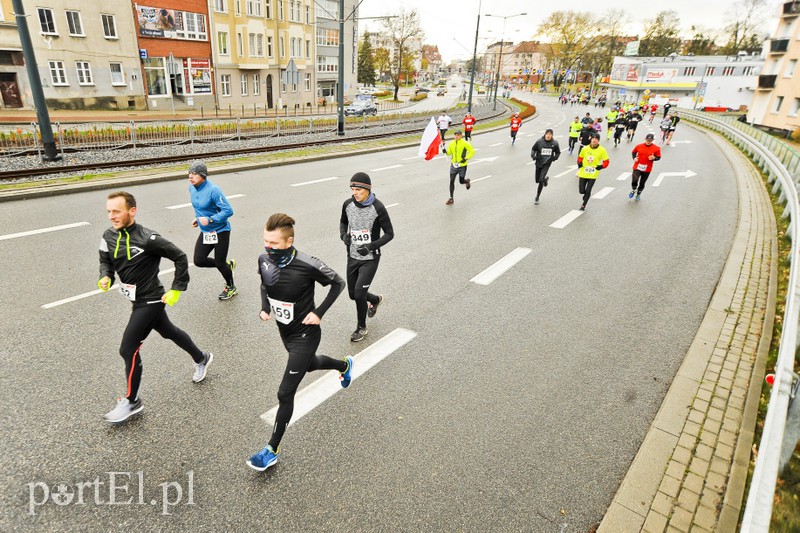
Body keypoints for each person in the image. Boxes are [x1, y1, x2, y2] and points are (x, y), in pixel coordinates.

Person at [247, 213, 352, 472]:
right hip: (285, 332)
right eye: (265, 241)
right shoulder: (263, 259)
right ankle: (343, 366)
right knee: (308, 365)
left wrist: (318, 313)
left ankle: (271, 449)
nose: (267, 248)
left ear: (289, 241)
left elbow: (338, 283)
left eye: (273, 243)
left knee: (285, 392)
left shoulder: (307, 264)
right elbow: (264, 284)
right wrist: (264, 308)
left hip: (305, 334)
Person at [98, 192, 212, 424]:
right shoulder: (108, 236)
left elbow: (180, 257)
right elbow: (105, 261)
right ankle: (202, 357)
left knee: (127, 349)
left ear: (132, 211)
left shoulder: (148, 238)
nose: (112, 216)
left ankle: (132, 401)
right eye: (109, 211)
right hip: (136, 300)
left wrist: (177, 289)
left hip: (151, 300)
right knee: (169, 331)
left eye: (117, 211)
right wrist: (106, 276)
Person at [339, 173, 394, 342]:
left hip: (370, 258)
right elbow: (343, 223)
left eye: (358, 190)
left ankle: (361, 328)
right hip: (352, 256)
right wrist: (343, 236)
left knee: (358, 293)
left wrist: (370, 246)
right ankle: (375, 300)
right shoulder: (348, 204)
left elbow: (389, 234)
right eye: (352, 189)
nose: (355, 193)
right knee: (352, 294)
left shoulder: (378, 207)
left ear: (368, 189)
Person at [187, 161, 237, 300]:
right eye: (189, 173)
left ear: (203, 175)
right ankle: (227, 266)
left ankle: (231, 287)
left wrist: (210, 220)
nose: (191, 176)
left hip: (221, 230)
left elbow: (228, 211)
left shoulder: (213, 190)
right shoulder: (191, 188)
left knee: (220, 262)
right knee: (199, 260)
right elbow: (200, 208)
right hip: (206, 232)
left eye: (194, 174)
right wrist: (197, 219)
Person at [576, 133, 610, 211]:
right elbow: (580, 157)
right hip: (584, 172)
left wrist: (601, 166)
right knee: (582, 191)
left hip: (593, 173)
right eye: (593, 139)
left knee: (588, 190)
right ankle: (586, 196)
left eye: (596, 139)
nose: (594, 140)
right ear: (591, 139)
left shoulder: (602, 150)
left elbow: (606, 161)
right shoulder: (585, 148)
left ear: (598, 141)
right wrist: (579, 163)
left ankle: (583, 205)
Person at [531, 128, 561, 205]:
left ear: (552, 135)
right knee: (537, 180)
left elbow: (558, 152)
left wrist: (554, 158)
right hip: (538, 162)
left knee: (540, 181)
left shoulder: (555, 143)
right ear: (545, 134)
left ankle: (537, 197)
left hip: (547, 164)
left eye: (550, 134)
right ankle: (545, 179)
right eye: (547, 134)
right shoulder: (539, 142)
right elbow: (533, 149)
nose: (548, 136)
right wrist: (533, 155)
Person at [444, 130, 475, 205]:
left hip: (462, 165)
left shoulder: (465, 143)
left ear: (461, 136)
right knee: (451, 181)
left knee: (461, 181)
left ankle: (466, 181)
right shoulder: (451, 143)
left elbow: (472, 151)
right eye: (455, 135)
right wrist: (445, 151)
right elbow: (449, 153)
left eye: (458, 135)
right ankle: (451, 198)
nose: (456, 136)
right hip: (454, 165)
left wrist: (466, 158)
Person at [629, 133, 662, 200]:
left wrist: (654, 158)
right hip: (637, 166)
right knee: (635, 179)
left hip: (647, 168)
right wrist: (634, 158)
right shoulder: (639, 146)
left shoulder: (656, 148)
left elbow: (658, 157)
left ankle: (638, 193)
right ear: (645, 139)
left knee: (642, 182)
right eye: (647, 140)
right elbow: (633, 152)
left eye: (650, 140)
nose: (648, 141)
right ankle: (634, 189)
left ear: (652, 140)